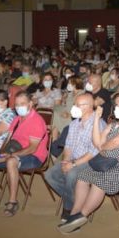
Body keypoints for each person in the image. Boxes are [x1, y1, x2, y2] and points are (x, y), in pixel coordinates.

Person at [59, 93, 119, 234]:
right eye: (116, 104)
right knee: (83, 175)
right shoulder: (114, 125)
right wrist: (96, 119)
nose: (117, 107)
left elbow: (113, 143)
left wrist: (102, 146)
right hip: (108, 164)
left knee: (101, 180)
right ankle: (74, 214)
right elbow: (97, 142)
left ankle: (81, 216)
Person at [0, 92, 48, 218]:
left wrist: (11, 155)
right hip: (14, 152)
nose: (19, 107)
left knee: (11, 162)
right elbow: (8, 140)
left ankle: (12, 201)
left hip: (34, 157)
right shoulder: (17, 119)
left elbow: (32, 148)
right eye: (16, 104)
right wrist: (2, 153)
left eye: (22, 104)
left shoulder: (36, 121)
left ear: (30, 104)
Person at [46, 92, 105, 221]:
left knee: (71, 175)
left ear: (89, 107)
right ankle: (77, 200)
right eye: (75, 104)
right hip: (74, 159)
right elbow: (68, 146)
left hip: (90, 161)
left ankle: (68, 207)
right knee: (50, 175)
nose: (74, 107)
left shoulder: (97, 123)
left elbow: (94, 152)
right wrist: (66, 160)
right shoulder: (74, 124)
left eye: (78, 105)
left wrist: (72, 165)